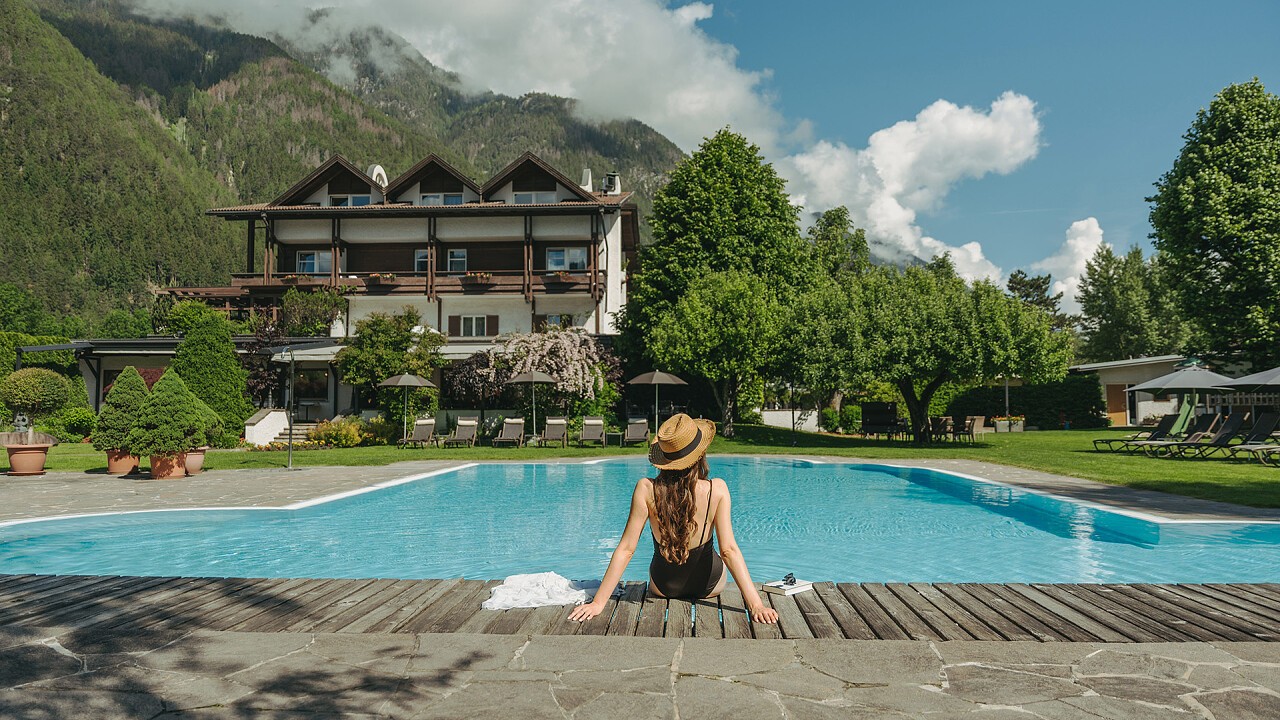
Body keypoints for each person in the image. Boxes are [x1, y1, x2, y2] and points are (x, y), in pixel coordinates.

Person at [568, 414, 780, 624]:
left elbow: (626, 549)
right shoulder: (717, 489)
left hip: (664, 586)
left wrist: (598, 603)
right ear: (700, 455)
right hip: (709, 586)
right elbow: (728, 551)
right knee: (716, 559)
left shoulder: (646, 489)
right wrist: (756, 605)